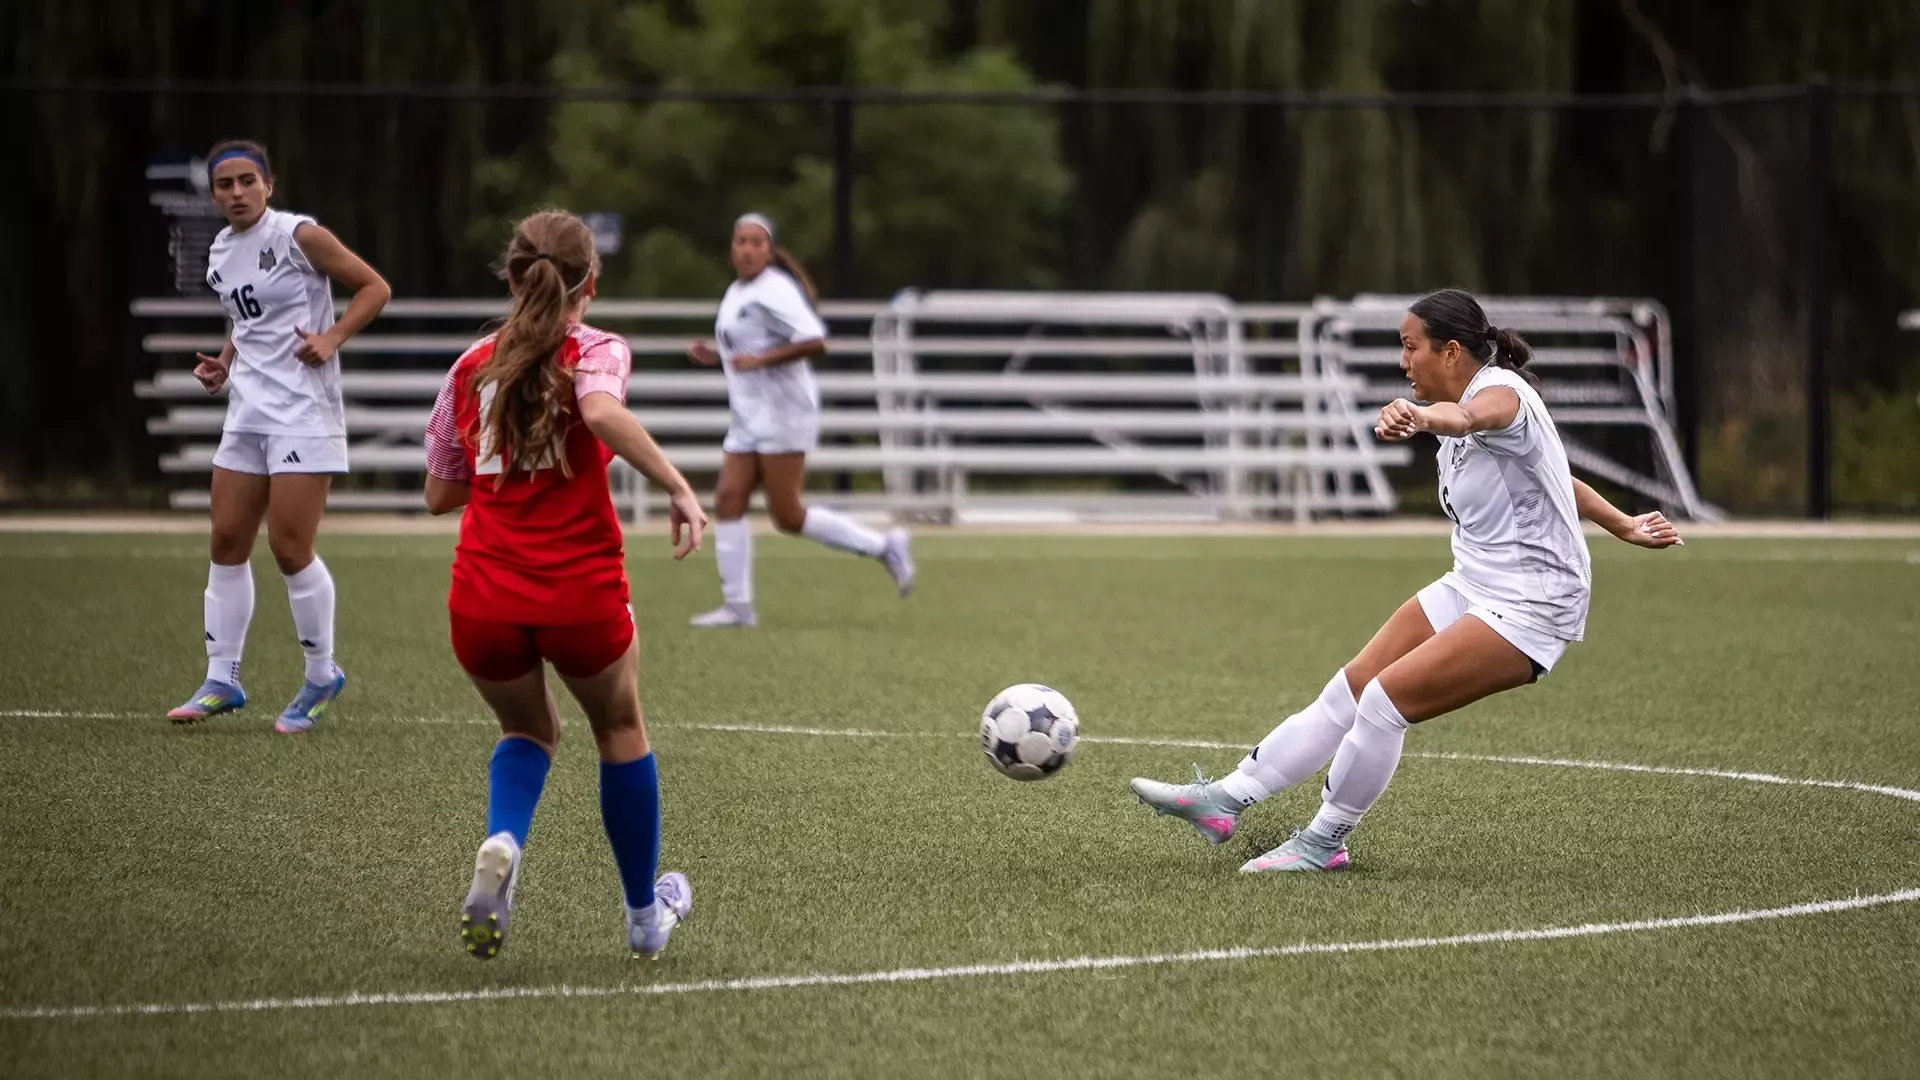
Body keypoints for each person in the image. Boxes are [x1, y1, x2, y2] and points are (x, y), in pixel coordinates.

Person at [1130, 288, 1684, 872]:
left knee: (1382, 702)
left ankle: (1324, 842)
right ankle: (1225, 800)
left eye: (1409, 346)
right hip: (1475, 582)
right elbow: (1554, 479)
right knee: (1349, 689)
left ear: (1450, 352)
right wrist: (1622, 523)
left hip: (1533, 605)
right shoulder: (1461, 408)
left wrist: (1421, 417)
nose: (1402, 361)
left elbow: (1469, 417)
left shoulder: (1500, 395)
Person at [423, 209, 708, 960]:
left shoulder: (471, 363)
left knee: (527, 731)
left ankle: (505, 843)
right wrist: (677, 483)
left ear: (512, 276)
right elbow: (602, 411)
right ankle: (646, 919)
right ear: (593, 280)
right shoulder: (594, 349)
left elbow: (439, 493)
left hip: (481, 595)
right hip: (577, 591)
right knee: (618, 730)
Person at [167, 139, 391, 733]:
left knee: (290, 547)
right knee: (225, 539)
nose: (236, 192)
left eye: (247, 181)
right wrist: (223, 361)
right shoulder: (219, 250)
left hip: (302, 412)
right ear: (213, 193)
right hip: (247, 411)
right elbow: (249, 321)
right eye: (224, 185)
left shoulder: (299, 236)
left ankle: (322, 674)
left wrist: (333, 337)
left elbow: (375, 288)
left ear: (268, 184)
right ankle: (222, 679)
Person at [685, 212, 913, 628]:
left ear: (770, 251)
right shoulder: (738, 290)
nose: (748, 249)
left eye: (757, 242)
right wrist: (716, 356)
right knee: (727, 500)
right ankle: (738, 608)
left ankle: (885, 546)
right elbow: (747, 346)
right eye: (741, 241)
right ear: (731, 248)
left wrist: (761, 360)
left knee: (788, 515)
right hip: (749, 415)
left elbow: (815, 341)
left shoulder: (777, 290)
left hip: (784, 413)